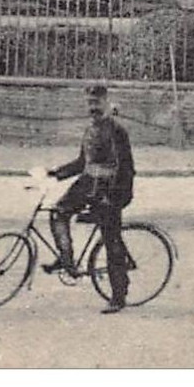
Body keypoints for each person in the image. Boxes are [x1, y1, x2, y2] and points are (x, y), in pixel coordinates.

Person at [44, 84, 135, 314]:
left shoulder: (116, 131)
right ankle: (66, 259)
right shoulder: (91, 129)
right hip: (87, 185)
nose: (92, 108)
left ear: (106, 102)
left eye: (96, 103)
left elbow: (126, 169)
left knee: (111, 240)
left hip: (109, 190)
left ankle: (118, 295)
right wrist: (57, 172)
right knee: (58, 213)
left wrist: (116, 198)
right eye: (89, 103)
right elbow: (82, 163)